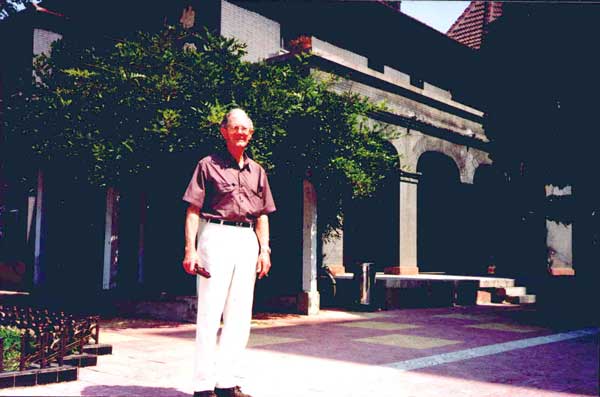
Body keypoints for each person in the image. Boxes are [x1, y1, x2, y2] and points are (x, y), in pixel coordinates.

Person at [182, 108, 276, 397]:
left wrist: (265, 250)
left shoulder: (258, 171)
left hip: (247, 240)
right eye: (236, 128)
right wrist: (191, 249)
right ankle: (202, 386)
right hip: (215, 235)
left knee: (240, 315)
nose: (242, 133)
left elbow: (262, 214)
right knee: (210, 313)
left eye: (247, 129)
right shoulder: (207, 165)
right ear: (224, 131)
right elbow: (193, 210)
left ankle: (226, 383)